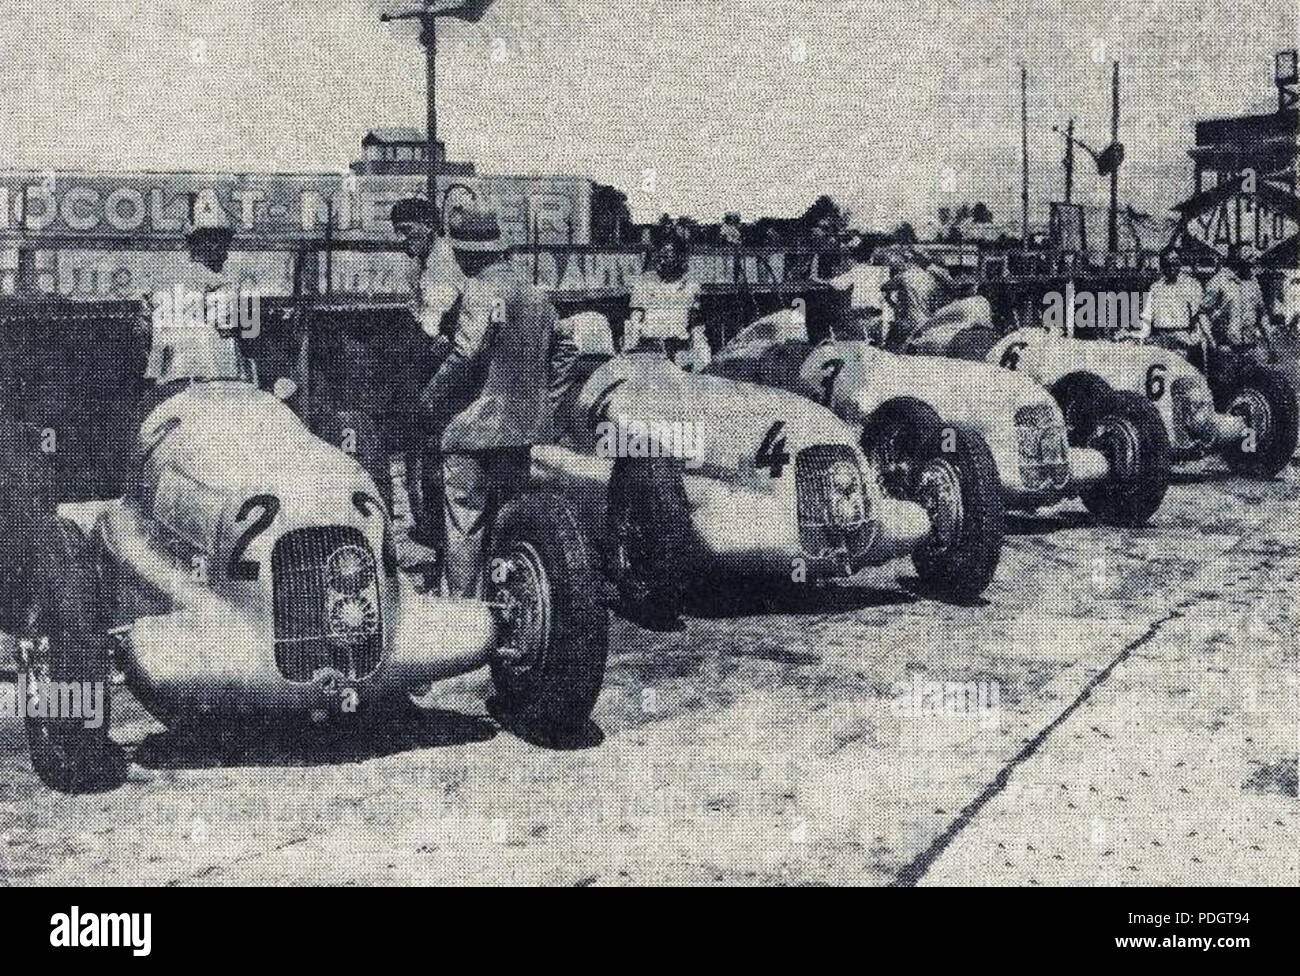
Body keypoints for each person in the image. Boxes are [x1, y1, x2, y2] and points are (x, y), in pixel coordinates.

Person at [404, 195, 577, 598]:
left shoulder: (480, 292)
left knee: (466, 524)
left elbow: (467, 352)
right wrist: (545, 401)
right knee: (506, 524)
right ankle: (504, 610)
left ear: (465, 252)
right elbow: (568, 348)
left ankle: (464, 620)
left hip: (471, 433)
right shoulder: (537, 295)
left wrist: (429, 402)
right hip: (520, 434)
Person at [134, 210, 250, 420]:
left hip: (166, 386)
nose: (225, 251)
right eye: (220, 241)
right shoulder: (224, 281)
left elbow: (142, 332)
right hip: (221, 387)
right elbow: (235, 330)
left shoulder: (160, 277)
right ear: (201, 242)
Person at [624, 234, 700, 353]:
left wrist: (698, 356)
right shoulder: (644, 283)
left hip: (680, 350)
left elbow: (695, 327)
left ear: (680, 257)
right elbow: (634, 322)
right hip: (650, 350)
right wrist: (630, 352)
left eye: (667, 256)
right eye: (659, 256)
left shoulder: (691, 285)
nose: (661, 262)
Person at [1198, 250, 1270, 373]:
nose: (1253, 254)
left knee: (1251, 389)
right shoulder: (1219, 281)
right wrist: (1211, 341)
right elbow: (1203, 313)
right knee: (1226, 390)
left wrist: (1269, 340)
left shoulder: (1253, 282)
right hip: (1226, 349)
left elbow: (1261, 313)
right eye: (1247, 249)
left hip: (1250, 349)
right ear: (1236, 256)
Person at [879, 247, 957, 350]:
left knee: (888, 350)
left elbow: (883, 288)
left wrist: (893, 304)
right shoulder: (929, 277)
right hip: (924, 322)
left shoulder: (904, 276)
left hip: (907, 321)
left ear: (908, 262)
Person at [1138, 249, 1204, 357]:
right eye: (1167, 264)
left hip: (1182, 339)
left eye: (1175, 263)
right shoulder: (1155, 287)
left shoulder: (1191, 284)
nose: (1171, 268)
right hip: (1160, 339)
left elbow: (1199, 315)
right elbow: (1147, 315)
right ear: (1162, 266)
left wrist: (1194, 338)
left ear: (1180, 264)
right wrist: (1143, 336)